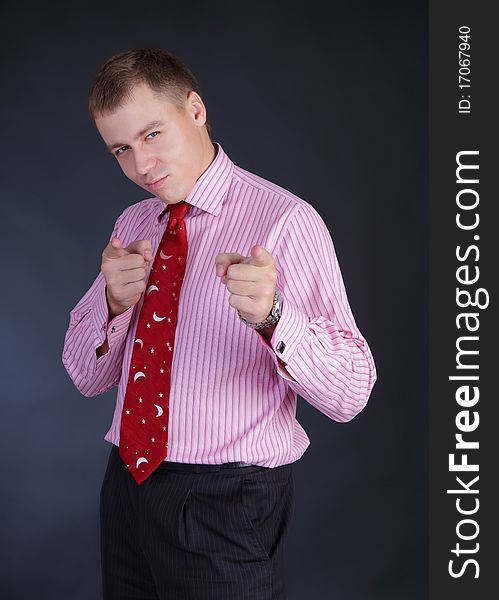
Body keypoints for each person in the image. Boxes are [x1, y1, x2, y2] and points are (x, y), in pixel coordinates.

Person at [61, 47, 377, 600]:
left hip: (224, 501)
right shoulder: (133, 224)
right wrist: (113, 304)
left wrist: (274, 316)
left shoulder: (284, 220)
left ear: (196, 109)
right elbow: (86, 378)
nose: (142, 166)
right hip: (127, 486)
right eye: (122, 149)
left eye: (153, 134)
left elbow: (351, 393)